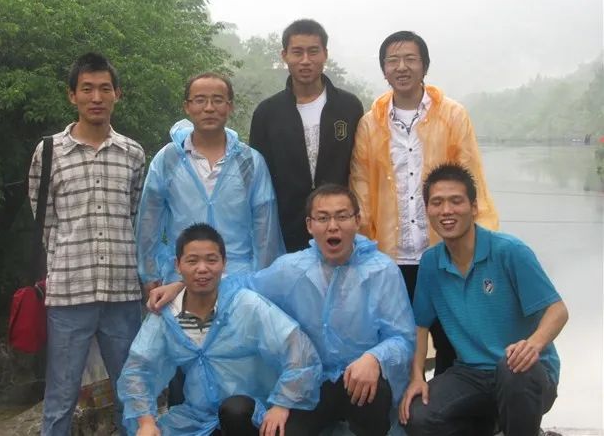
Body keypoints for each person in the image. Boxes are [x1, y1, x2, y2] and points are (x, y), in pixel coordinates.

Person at [149, 184, 415, 435]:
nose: (333, 226)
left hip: (359, 381)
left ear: (357, 220)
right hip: (311, 385)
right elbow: (242, 285)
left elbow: (403, 338)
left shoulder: (382, 270)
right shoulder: (292, 269)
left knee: (374, 392)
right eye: (323, 218)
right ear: (309, 225)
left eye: (342, 216)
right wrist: (182, 285)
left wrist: (375, 358)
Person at [350, 30, 498, 373]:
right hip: (391, 257)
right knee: (395, 340)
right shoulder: (370, 124)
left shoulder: (453, 116)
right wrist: (362, 250)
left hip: (445, 253)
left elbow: (471, 179)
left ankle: (450, 402)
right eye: (393, 61)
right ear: (384, 70)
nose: (401, 67)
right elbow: (361, 188)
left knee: (455, 339)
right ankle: (404, 404)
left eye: (410, 59)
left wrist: (479, 244)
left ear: (425, 66)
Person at [399, 163, 568, 436]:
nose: (446, 210)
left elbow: (557, 310)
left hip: (525, 373)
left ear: (474, 207)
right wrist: (417, 377)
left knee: (513, 370)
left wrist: (533, 345)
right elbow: (420, 325)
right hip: (472, 373)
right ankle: (492, 427)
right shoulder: (431, 262)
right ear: (427, 210)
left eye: (456, 201)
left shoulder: (510, 252)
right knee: (418, 417)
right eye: (437, 203)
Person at [28, 53, 145, 435]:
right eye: (87, 89)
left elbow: (135, 216)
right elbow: (45, 220)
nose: (96, 97)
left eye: (105, 89)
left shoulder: (133, 153)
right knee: (60, 397)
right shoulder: (49, 152)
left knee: (131, 392)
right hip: (68, 295)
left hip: (122, 293)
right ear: (72, 95)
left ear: (117, 94)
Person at [118, 223, 322, 436]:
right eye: (192, 261)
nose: (202, 269)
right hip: (198, 417)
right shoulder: (167, 315)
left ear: (224, 263)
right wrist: (146, 422)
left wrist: (281, 405)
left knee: (235, 410)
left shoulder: (246, 305)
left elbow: (297, 350)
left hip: (253, 413)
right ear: (178, 265)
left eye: (211, 260)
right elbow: (138, 370)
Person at [136, 72, 284, 288]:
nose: (209, 108)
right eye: (200, 100)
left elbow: (266, 230)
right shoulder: (168, 159)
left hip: (240, 282)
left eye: (218, 100)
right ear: (187, 107)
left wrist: (263, 281)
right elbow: (149, 223)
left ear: (230, 106)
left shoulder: (249, 162)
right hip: (182, 281)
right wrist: (150, 274)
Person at [250, 19, 364, 252]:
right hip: (285, 229)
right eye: (297, 52)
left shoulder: (348, 107)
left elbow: (359, 167)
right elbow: (258, 176)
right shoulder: (267, 112)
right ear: (284, 55)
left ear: (325, 54)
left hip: (338, 227)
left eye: (313, 52)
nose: (305, 60)